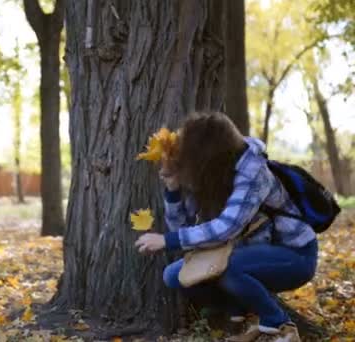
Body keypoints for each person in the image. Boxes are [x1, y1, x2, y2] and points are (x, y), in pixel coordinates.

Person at [135, 112, 317, 342]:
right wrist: (173, 189)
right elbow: (183, 226)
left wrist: (167, 240)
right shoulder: (212, 174)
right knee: (174, 275)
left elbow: (226, 227)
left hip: (294, 256)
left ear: (209, 153)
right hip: (241, 253)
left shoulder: (254, 172)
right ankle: (241, 313)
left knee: (229, 270)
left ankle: (279, 324)